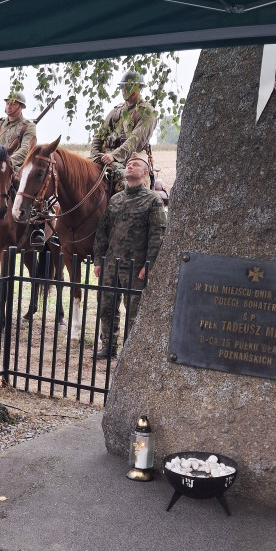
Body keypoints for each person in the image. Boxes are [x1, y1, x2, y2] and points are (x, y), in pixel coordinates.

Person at [92, 152, 166, 359]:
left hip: (136, 268)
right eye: (128, 164)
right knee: (106, 308)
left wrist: (149, 264)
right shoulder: (115, 199)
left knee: (133, 312)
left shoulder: (153, 201)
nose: (130, 166)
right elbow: (102, 232)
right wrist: (99, 260)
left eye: (135, 165)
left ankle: (130, 350)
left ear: (144, 173)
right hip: (111, 265)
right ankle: (108, 345)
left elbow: (157, 234)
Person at [91, 71, 158, 188]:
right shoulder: (116, 112)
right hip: (108, 159)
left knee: (125, 186)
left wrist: (114, 155)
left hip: (133, 159)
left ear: (139, 87)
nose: (124, 90)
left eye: (129, 86)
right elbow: (99, 136)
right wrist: (95, 156)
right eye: (123, 86)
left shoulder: (148, 113)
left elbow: (135, 141)